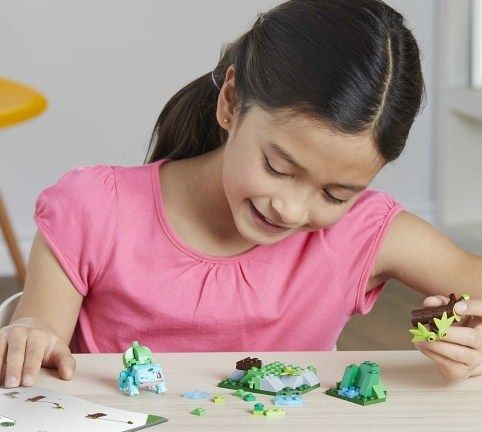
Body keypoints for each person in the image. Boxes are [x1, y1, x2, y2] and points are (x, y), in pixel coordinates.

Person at [1, 0, 481, 389]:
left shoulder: (365, 234)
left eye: (336, 195)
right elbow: (41, 340)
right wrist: (30, 333)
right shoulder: (94, 209)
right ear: (231, 103)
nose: (290, 209)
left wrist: (473, 344)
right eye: (277, 167)